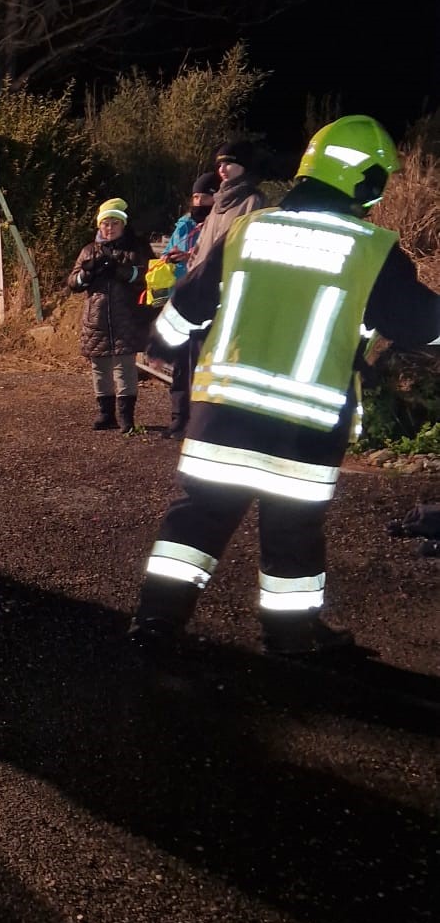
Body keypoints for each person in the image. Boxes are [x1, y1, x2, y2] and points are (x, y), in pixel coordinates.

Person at [130, 116, 440, 657]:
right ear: (366, 182)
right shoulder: (370, 249)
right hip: (304, 427)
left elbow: (181, 318)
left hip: (222, 414)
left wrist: (165, 349)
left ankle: (155, 624)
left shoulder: (249, 230)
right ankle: (291, 639)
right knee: (292, 534)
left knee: (196, 518)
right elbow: (421, 325)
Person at [69, 199, 153, 432]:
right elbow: (72, 283)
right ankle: (106, 414)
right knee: (100, 367)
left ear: (124, 224)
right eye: (105, 223)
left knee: (125, 367)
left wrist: (120, 271)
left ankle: (127, 418)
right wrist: (86, 274)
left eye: (115, 223)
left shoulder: (137, 248)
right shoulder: (88, 250)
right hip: (96, 319)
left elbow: (147, 275)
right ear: (99, 225)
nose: (110, 227)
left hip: (126, 317)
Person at [158, 172, 219, 438]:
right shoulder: (183, 224)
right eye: (195, 195)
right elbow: (166, 253)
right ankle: (178, 418)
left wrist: (190, 256)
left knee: (204, 364)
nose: (198, 200)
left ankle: (202, 421)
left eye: (203, 195)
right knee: (181, 363)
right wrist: (169, 258)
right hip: (181, 300)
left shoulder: (218, 223)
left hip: (207, 301)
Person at [186, 140, 265, 271]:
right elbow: (202, 242)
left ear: (243, 166)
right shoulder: (218, 200)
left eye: (228, 164)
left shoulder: (252, 200)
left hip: (226, 279)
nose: (221, 169)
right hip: (201, 278)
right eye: (220, 165)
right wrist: (192, 267)